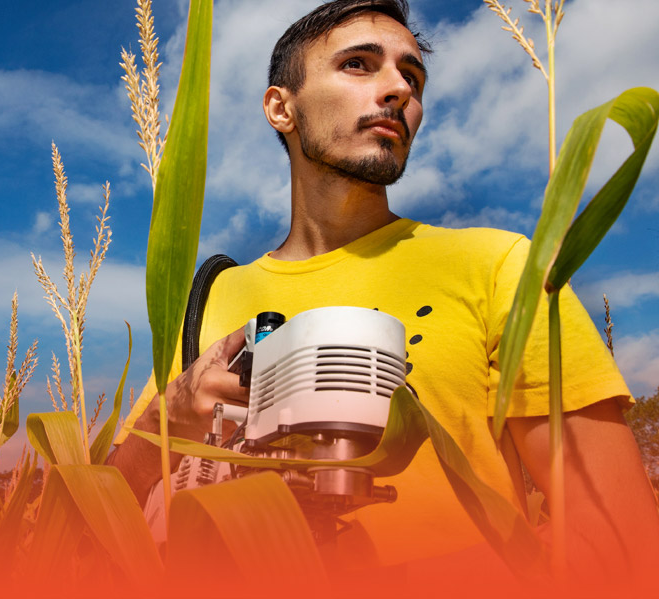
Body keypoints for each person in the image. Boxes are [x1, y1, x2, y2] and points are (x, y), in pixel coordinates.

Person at [108, 0, 659, 584]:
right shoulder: (211, 297)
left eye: (412, 76)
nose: (398, 88)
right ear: (281, 107)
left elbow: (617, 534)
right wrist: (167, 420)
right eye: (358, 64)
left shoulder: (502, 267)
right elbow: (104, 512)